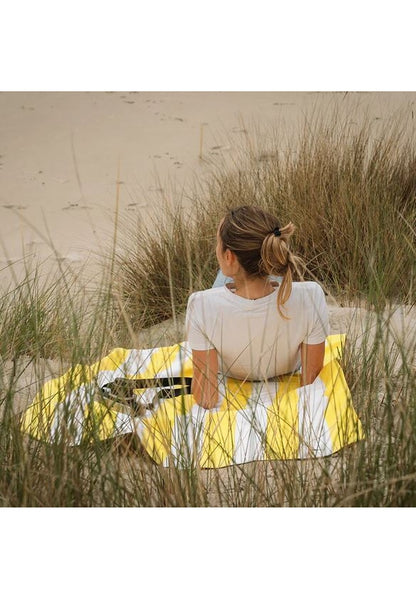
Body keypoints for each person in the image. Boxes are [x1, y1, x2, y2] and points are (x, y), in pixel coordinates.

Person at [185, 205, 329, 409]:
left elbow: (206, 399)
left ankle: (246, 264)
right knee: (262, 270)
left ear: (228, 256)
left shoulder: (200, 305)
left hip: (233, 370)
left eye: (218, 245)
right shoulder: (312, 296)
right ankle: (256, 259)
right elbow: (312, 382)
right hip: (286, 366)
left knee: (228, 278)